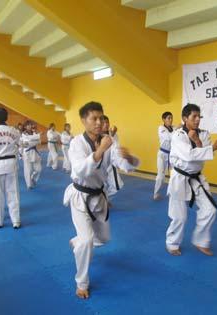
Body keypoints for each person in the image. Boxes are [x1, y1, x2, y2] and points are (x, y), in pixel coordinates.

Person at [63, 101, 139, 299]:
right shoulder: (76, 143)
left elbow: (123, 165)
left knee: (103, 239)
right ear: (83, 120)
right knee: (87, 241)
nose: (98, 122)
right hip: (80, 196)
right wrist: (99, 151)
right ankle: (82, 282)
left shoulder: (108, 141)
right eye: (93, 118)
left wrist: (129, 159)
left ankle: (77, 240)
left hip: (99, 196)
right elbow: (79, 169)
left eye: (100, 118)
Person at [165, 104, 217, 256]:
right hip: (179, 177)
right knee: (179, 216)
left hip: (196, 177)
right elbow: (189, 155)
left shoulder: (204, 134)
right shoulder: (177, 135)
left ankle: (200, 240)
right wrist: (213, 148)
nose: (198, 120)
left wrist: (197, 140)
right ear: (185, 118)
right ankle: (172, 243)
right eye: (194, 117)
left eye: (199, 117)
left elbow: (202, 154)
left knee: (210, 209)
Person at [154, 111, 175, 200]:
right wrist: (177, 130)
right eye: (168, 118)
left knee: (174, 174)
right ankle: (156, 193)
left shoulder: (174, 128)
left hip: (172, 154)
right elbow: (169, 137)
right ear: (163, 119)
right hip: (162, 154)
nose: (170, 120)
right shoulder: (161, 128)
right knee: (161, 175)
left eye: (171, 118)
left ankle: (172, 192)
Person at [102, 115, 123, 204]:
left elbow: (116, 148)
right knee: (100, 185)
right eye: (104, 123)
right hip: (99, 165)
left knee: (116, 185)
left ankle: (104, 198)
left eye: (107, 122)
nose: (106, 124)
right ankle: (103, 200)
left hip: (110, 164)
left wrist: (112, 136)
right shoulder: (96, 136)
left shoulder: (114, 135)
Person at [21, 120, 42, 189]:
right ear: (25, 126)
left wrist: (33, 140)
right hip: (27, 152)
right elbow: (27, 143)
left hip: (35, 152)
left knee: (38, 169)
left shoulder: (34, 133)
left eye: (30, 125)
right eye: (28, 125)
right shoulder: (23, 134)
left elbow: (39, 142)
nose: (29, 126)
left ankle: (33, 178)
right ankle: (29, 184)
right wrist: (37, 137)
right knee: (28, 170)